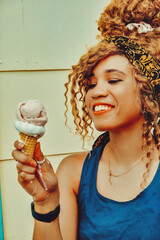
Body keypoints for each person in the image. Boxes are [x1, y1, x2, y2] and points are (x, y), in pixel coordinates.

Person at [12, 0, 160, 239]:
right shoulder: (73, 173)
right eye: (91, 84)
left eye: (113, 80)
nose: (96, 92)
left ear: (149, 91)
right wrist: (45, 202)